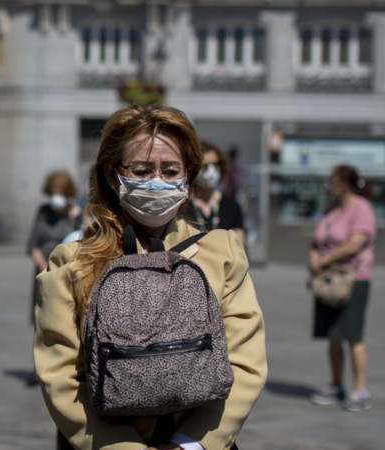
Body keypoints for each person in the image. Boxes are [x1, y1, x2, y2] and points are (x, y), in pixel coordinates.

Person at [34, 105, 267, 450]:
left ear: (188, 176)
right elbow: (61, 376)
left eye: (170, 170)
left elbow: (245, 363)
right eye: (141, 170)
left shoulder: (223, 253)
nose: (157, 181)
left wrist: (189, 444)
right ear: (114, 176)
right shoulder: (71, 262)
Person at [309, 165, 376, 412]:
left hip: (353, 279)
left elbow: (355, 244)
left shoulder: (362, 208)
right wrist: (314, 257)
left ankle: (360, 389)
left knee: (354, 336)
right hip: (328, 281)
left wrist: (324, 260)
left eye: (333, 180)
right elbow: (317, 240)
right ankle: (335, 384)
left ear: (345, 183)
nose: (330, 185)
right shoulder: (331, 209)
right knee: (333, 335)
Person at [28, 170, 80, 323]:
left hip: (66, 270)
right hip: (43, 268)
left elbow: (80, 240)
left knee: (63, 317)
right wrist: (43, 265)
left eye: (60, 190)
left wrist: (75, 218)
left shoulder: (74, 213)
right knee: (43, 315)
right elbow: (33, 243)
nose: (56, 193)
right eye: (53, 190)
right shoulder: (43, 211)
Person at [186, 141, 245, 242]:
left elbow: (239, 245)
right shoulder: (182, 206)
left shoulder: (231, 206)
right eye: (205, 166)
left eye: (216, 165)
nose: (211, 171)